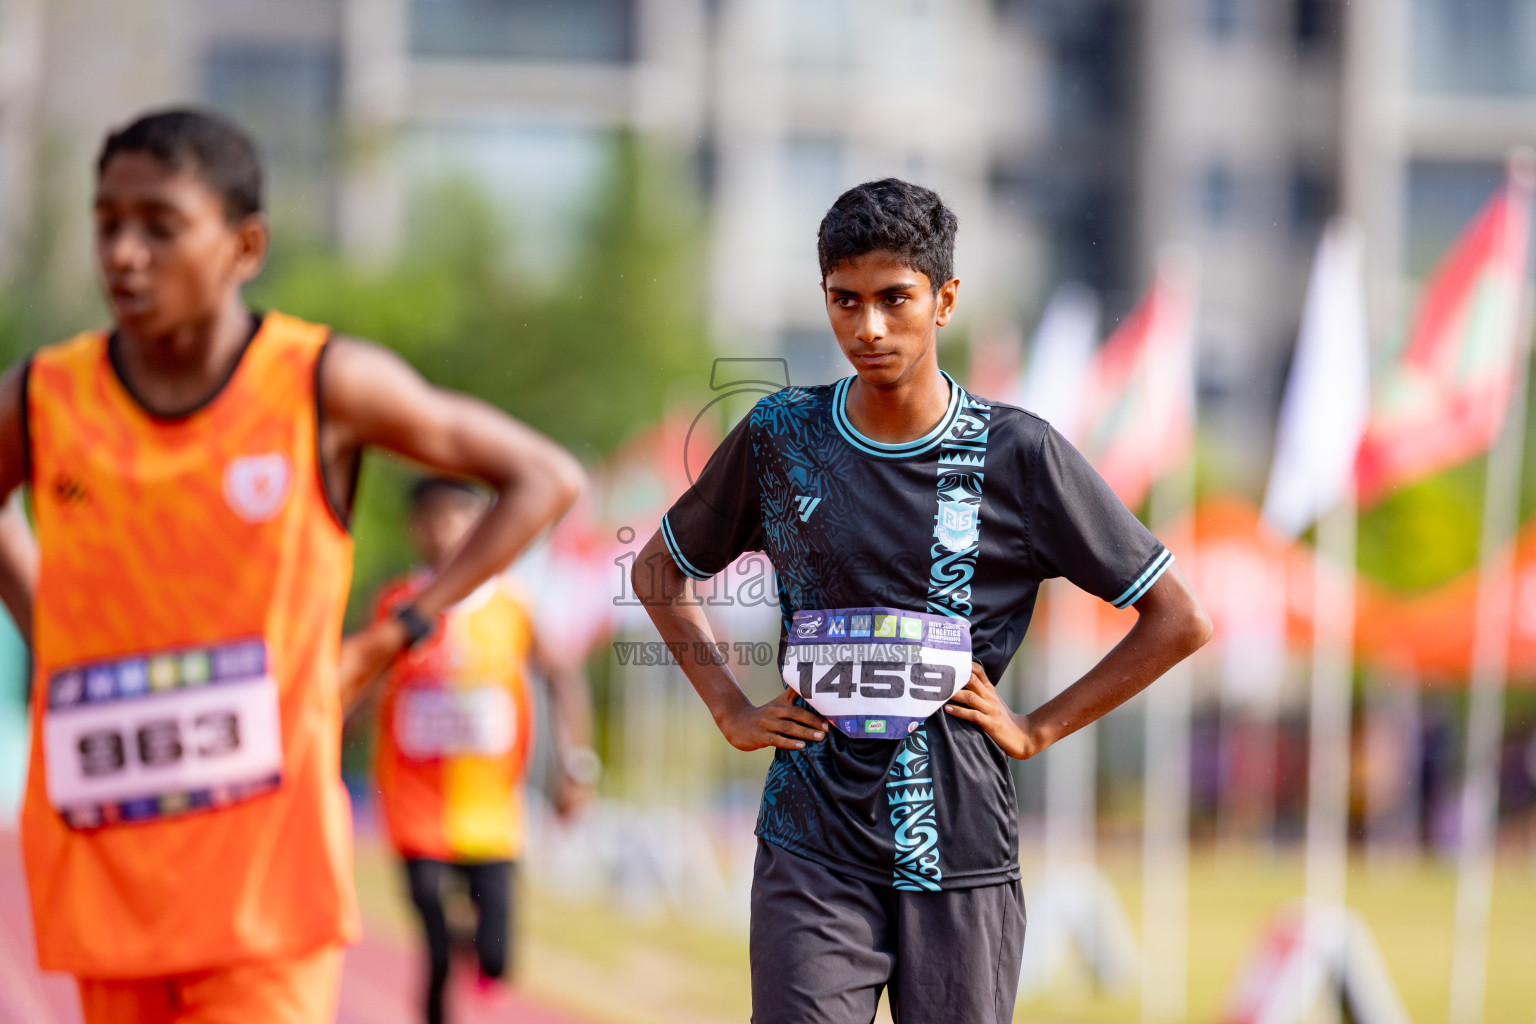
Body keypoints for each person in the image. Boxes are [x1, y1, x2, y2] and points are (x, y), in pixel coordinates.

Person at [0, 108, 583, 1024]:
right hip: (111, 860)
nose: (123, 253)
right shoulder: (45, 396)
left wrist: (397, 632)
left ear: (243, 245)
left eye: (159, 225)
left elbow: (542, 478)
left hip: (263, 878)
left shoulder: (320, 384)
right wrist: (52, 625)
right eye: (107, 222)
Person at [634, 178, 1212, 1024]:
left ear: (943, 301)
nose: (868, 328)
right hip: (811, 844)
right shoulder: (779, 436)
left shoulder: (1019, 455)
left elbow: (1178, 618)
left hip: (961, 850)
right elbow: (658, 571)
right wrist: (729, 706)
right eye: (846, 300)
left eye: (894, 299)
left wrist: (1036, 727)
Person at [369, 475, 596, 1024]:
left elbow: (563, 679)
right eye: (431, 518)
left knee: (495, 958)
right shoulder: (398, 605)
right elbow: (361, 679)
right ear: (413, 528)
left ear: (482, 526)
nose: (444, 530)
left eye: (457, 516)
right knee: (432, 933)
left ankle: (474, 946)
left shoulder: (513, 605)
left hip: (492, 811)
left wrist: (577, 766)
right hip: (415, 804)